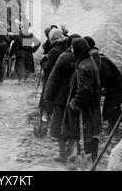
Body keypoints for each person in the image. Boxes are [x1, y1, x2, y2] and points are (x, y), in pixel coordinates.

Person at [63, 38, 102, 162]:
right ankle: (90, 161)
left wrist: (74, 103)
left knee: (84, 138)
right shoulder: (89, 61)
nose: (72, 50)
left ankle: (86, 164)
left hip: (86, 110)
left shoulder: (83, 66)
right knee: (89, 137)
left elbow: (84, 91)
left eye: (73, 48)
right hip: (92, 107)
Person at [45, 34, 81, 162]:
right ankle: (70, 153)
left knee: (59, 126)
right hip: (76, 99)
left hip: (61, 98)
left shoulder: (64, 57)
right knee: (72, 128)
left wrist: (48, 96)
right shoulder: (83, 58)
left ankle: (62, 154)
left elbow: (53, 78)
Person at [38, 28, 67, 126]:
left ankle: (46, 118)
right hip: (62, 79)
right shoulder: (65, 47)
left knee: (47, 96)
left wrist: (43, 62)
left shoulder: (54, 50)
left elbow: (47, 67)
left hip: (51, 77)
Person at [99, 54, 122, 131]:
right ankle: (111, 125)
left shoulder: (102, 61)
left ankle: (113, 126)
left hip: (117, 89)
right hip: (111, 89)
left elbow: (106, 75)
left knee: (113, 108)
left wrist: (103, 87)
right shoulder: (100, 59)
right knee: (108, 107)